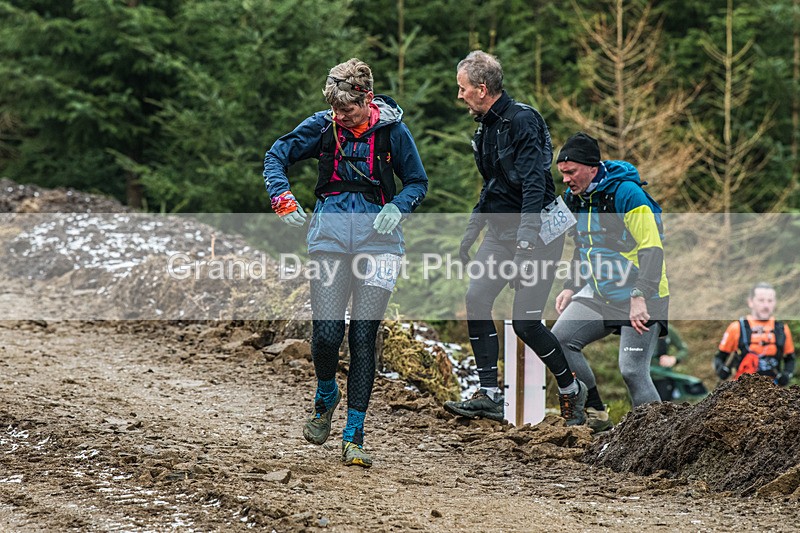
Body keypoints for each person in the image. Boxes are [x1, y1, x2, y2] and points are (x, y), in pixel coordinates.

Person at [263, 58, 428, 468]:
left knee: (362, 338)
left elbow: (418, 182)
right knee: (326, 334)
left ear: (367, 99)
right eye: (335, 109)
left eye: (348, 110)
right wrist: (282, 197)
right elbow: (276, 155)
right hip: (329, 239)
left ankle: (354, 435)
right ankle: (325, 394)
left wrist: (399, 205)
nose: (340, 116)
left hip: (381, 243)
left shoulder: (393, 132)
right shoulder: (321, 126)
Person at [443, 50, 588, 426]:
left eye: (462, 89)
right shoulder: (485, 127)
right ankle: (489, 394)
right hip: (501, 231)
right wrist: (471, 231)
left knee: (525, 323)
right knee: (476, 296)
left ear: (481, 88)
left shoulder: (524, 121)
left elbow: (534, 187)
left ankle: (571, 388)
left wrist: (525, 245)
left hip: (538, 231)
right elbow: (492, 188)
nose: (458, 96)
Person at [551, 132, 670, 432]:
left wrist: (640, 294)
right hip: (601, 291)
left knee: (632, 370)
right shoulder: (574, 198)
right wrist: (570, 285)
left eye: (571, 172)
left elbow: (652, 247)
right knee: (560, 339)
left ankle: (657, 438)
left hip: (642, 292)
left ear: (592, 168)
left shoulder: (627, 193)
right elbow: (583, 246)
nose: (565, 180)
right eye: (562, 174)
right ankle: (597, 414)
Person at [714, 282, 795, 385]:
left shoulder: (782, 329)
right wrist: (721, 370)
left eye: (770, 301)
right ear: (750, 302)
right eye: (761, 300)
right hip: (741, 388)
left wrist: (787, 375)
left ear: (775, 303)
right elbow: (719, 357)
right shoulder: (737, 328)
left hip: (773, 390)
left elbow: (790, 359)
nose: (766, 305)